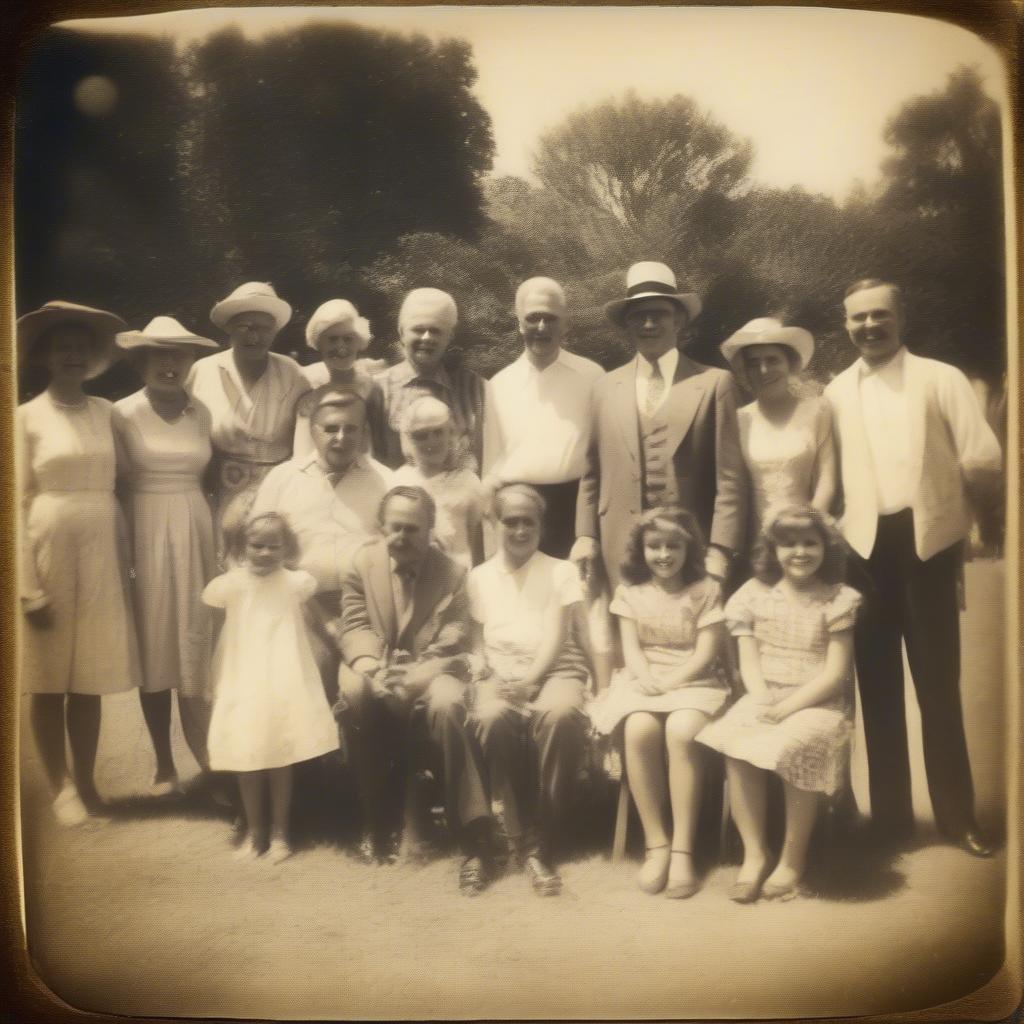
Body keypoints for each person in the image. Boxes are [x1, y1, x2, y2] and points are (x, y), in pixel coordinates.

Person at [825, 279, 1002, 857]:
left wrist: (972, 523)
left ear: (901, 316)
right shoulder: (835, 390)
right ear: (845, 324)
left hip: (927, 542)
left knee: (937, 686)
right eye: (858, 318)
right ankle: (893, 822)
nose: (869, 326)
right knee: (875, 687)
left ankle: (957, 819)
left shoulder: (940, 378)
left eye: (880, 315)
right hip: (864, 550)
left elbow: (982, 457)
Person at [334, 486, 496, 895]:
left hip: (432, 667)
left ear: (430, 531)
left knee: (447, 701)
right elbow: (354, 625)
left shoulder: (453, 572)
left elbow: (456, 633)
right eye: (395, 528)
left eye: (412, 529)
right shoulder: (361, 564)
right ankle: (376, 821)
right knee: (355, 692)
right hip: (376, 665)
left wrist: (420, 672)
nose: (402, 538)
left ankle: (474, 834)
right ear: (381, 527)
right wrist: (373, 668)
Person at [16, 300, 141, 825]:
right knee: (48, 677)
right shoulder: (24, 417)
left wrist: (129, 556)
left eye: (80, 348)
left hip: (101, 546)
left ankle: (87, 783)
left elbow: (132, 480)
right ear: (44, 355)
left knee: (88, 674)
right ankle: (60, 786)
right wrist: (26, 585)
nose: (72, 355)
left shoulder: (107, 413)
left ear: (92, 359)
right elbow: (15, 501)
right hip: (46, 548)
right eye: (61, 346)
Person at [698, 506, 861, 902]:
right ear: (772, 549)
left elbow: (835, 673)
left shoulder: (838, 599)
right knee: (736, 745)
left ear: (826, 547)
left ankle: (792, 858)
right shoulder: (752, 595)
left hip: (817, 703)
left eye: (810, 542)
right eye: (788, 544)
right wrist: (760, 700)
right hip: (765, 695)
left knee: (792, 746)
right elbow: (748, 662)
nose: (800, 552)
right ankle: (755, 854)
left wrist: (788, 709)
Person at [572, 262, 747, 593]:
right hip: (620, 546)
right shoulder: (604, 388)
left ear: (678, 319)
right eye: (638, 315)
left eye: (659, 314)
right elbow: (591, 473)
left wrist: (721, 549)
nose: (649, 324)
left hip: (690, 549)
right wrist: (585, 535)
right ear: (627, 323)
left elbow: (730, 479)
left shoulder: (713, 384)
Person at [590, 506, 729, 898]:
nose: (664, 555)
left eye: (673, 546)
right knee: (639, 728)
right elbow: (631, 649)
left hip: (694, 679)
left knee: (683, 731)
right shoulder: (630, 593)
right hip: (645, 678)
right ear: (641, 550)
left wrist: (672, 680)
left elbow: (706, 652)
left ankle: (684, 849)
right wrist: (649, 679)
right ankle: (658, 844)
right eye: (654, 546)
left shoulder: (706, 591)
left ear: (689, 550)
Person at [112, 316, 220, 794]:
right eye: (158, 355)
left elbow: (210, 478)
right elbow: (116, 485)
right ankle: (163, 764)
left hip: (196, 526)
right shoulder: (123, 413)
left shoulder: (202, 413)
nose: (168, 364)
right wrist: (126, 547)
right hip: (147, 527)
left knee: (196, 642)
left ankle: (211, 760)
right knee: (155, 645)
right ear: (141, 362)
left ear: (189, 361)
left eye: (177, 355)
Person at [468, 484, 592, 897]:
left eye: (529, 522)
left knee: (559, 715)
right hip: (501, 672)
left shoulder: (560, 571)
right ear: (494, 524)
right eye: (510, 521)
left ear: (541, 525)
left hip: (555, 668)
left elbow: (559, 636)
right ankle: (520, 836)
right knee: (490, 717)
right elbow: (476, 639)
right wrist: (486, 669)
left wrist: (530, 682)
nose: (520, 530)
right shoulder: (480, 577)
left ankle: (544, 838)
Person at [203, 512, 340, 863]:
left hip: (283, 677)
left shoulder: (294, 582)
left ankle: (281, 834)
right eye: (256, 545)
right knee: (248, 757)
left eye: (273, 546)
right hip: (245, 677)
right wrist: (215, 674)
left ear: (287, 548)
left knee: (281, 755)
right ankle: (255, 832)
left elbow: (320, 618)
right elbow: (220, 633)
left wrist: (335, 633)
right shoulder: (231, 584)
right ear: (241, 547)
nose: (264, 553)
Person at [250, 392, 393, 693]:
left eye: (351, 428)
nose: (341, 437)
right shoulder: (283, 478)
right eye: (330, 429)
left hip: (365, 609)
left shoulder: (386, 482)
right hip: (299, 607)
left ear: (364, 433)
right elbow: (254, 549)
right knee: (311, 672)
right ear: (313, 431)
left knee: (364, 692)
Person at [483, 277, 604, 559]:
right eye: (532, 318)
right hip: (517, 513)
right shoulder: (499, 384)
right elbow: (490, 464)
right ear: (519, 323)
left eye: (550, 318)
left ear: (566, 323)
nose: (541, 327)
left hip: (574, 512)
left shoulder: (593, 377)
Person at [187, 281, 309, 558]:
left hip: (276, 494)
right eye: (245, 326)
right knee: (223, 567)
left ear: (275, 332)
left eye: (264, 327)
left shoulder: (292, 373)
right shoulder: (203, 371)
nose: (254, 335)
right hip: (220, 493)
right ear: (229, 327)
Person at [719, 317, 837, 539]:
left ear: (789, 363)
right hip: (759, 537)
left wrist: (808, 524)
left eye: (773, 360)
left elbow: (827, 481)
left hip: (808, 533)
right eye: (754, 363)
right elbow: (733, 489)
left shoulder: (817, 411)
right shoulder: (739, 419)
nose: (763, 370)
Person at [375, 288, 490, 472]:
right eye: (418, 330)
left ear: (449, 337)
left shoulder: (475, 388)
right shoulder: (378, 389)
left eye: (435, 331)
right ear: (402, 333)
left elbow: (489, 457)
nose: (426, 338)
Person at [393, 396, 485, 568]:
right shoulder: (399, 481)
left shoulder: (468, 482)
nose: (431, 442)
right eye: (421, 435)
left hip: (459, 573)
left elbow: (477, 539)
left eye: (438, 432)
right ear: (409, 439)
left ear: (450, 433)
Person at [293, 299, 387, 460]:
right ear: (319, 343)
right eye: (332, 339)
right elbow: (301, 454)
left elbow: (381, 447)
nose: (341, 346)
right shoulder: (307, 384)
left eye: (348, 339)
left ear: (359, 342)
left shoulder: (371, 388)